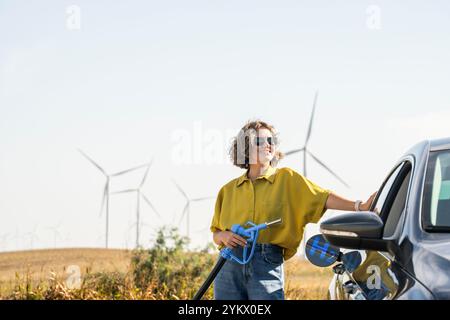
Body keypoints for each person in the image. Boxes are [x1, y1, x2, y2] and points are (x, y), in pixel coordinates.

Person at [210, 120, 376, 300]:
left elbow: (323, 197)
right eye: (259, 141)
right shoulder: (227, 190)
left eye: (271, 140)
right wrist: (224, 236)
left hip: (266, 262)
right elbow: (216, 232)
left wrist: (360, 206)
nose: (268, 145)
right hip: (228, 264)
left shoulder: (287, 179)